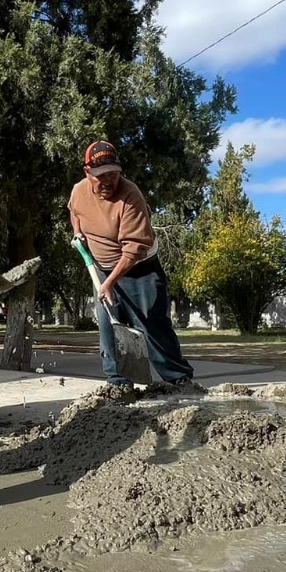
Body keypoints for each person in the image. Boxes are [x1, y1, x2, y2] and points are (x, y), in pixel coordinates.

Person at [67, 140, 195, 389]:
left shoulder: (130, 195)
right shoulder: (79, 191)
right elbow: (75, 211)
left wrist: (109, 283)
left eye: (113, 174)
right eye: (101, 176)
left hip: (140, 270)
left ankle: (178, 379)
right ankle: (118, 383)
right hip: (101, 269)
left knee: (151, 324)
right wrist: (77, 232)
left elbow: (134, 249)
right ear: (87, 172)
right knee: (109, 326)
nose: (108, 181)